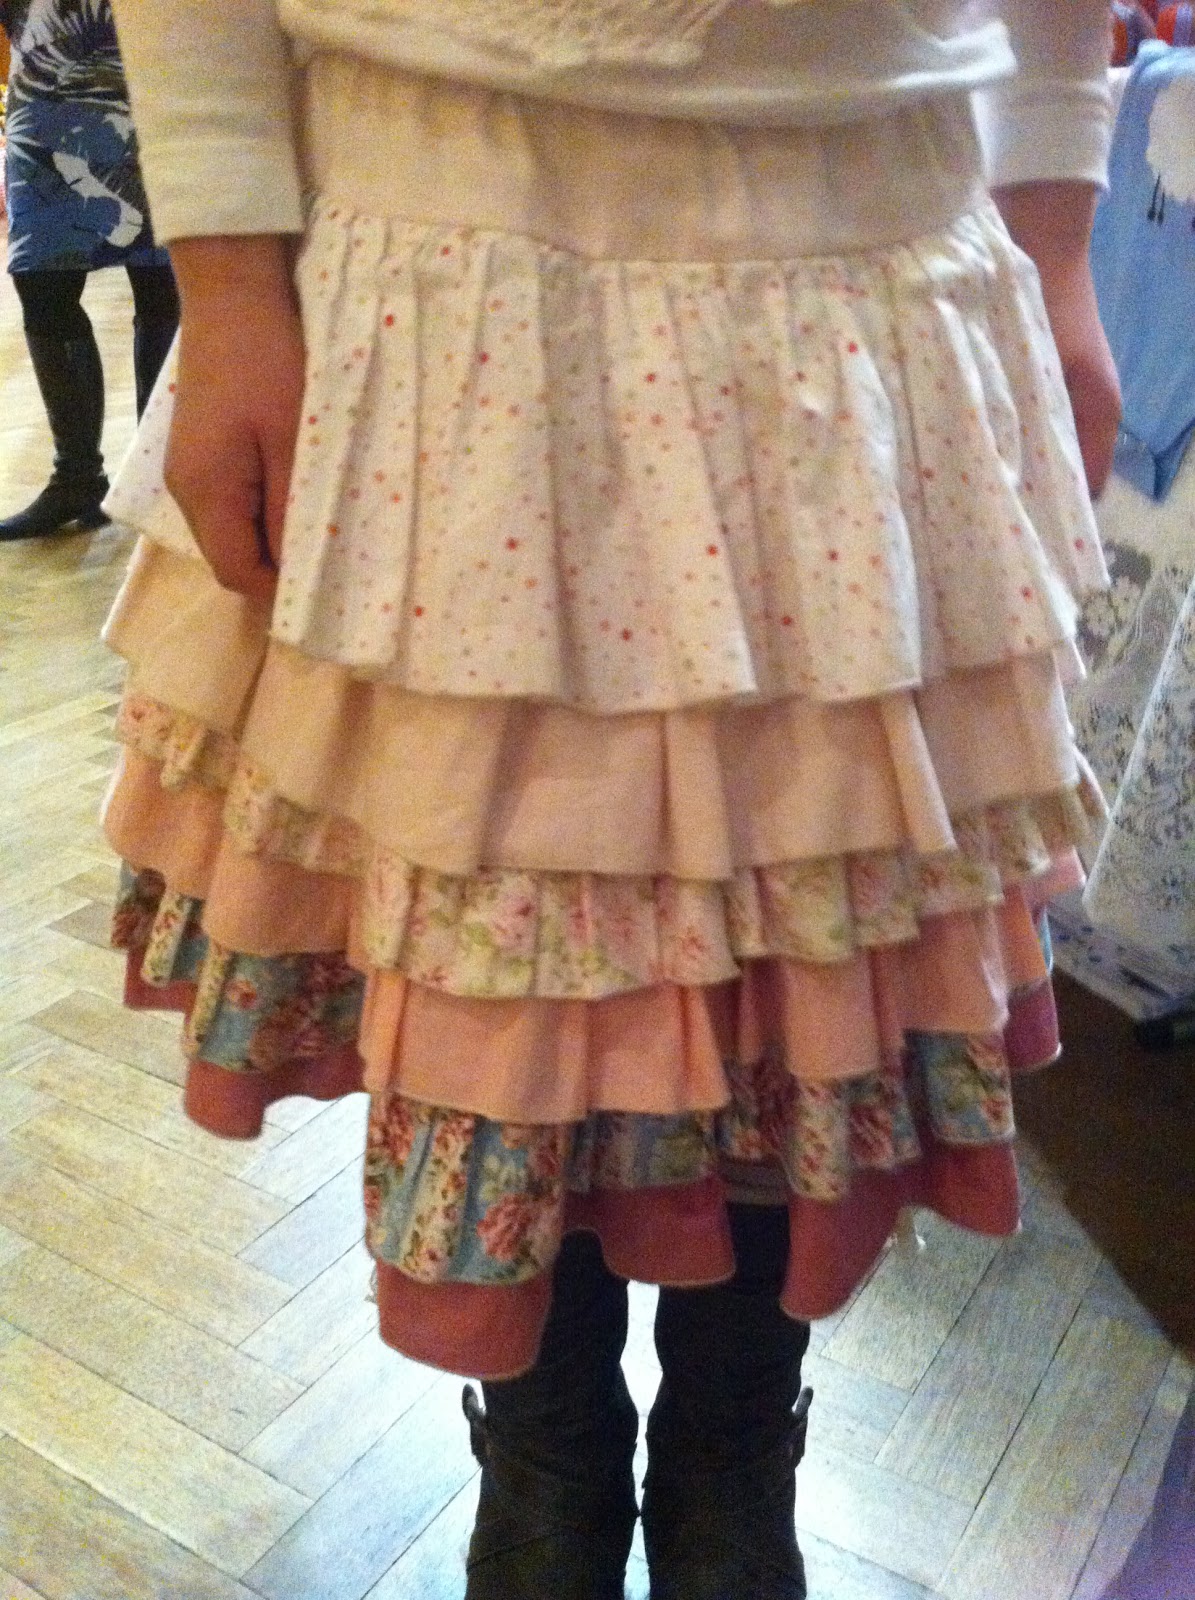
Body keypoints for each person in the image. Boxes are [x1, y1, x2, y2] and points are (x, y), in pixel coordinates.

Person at [101, 3, 1120, 1596]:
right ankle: (546, 1452)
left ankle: (735, 1453)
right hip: (440, 240)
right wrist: (225, 270)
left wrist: (1053, 220)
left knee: (805, 938)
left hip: (871, 237)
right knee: (494, 940)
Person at [0, 0, 178, 543]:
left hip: (153, 93)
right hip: (40, 106)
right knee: (40, 282)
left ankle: (158, 478)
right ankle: (77, 478)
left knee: (160, 284)